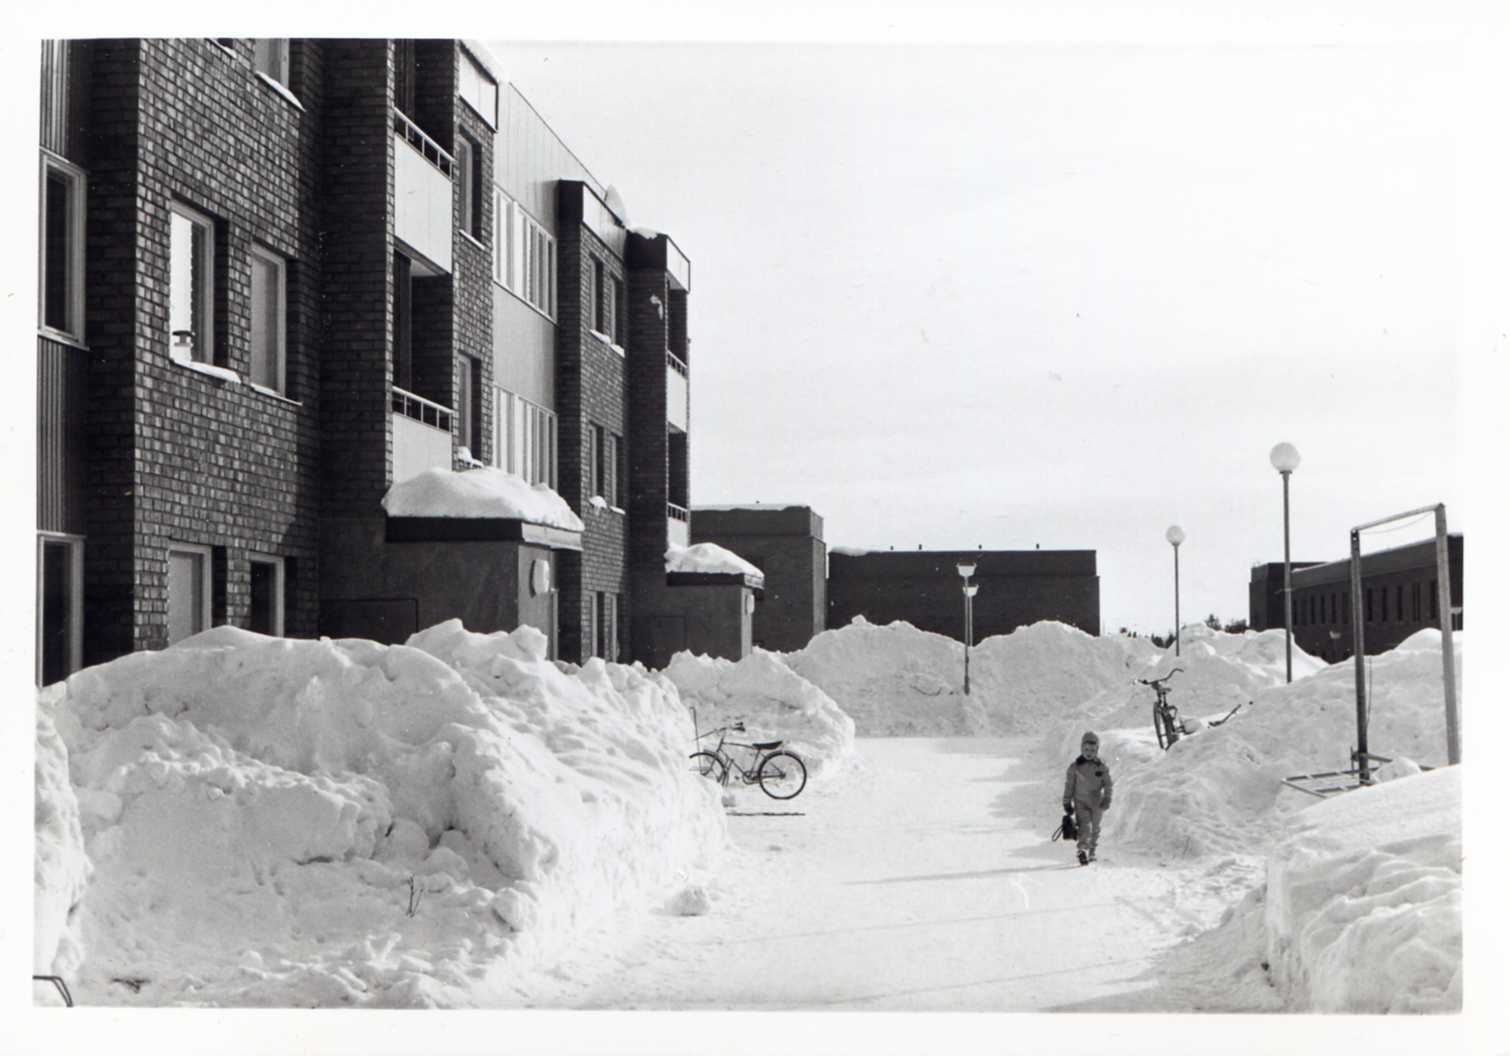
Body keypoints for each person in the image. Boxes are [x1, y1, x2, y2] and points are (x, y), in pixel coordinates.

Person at [1062, 731, 1113, 865]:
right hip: (1081, 802)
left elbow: (1108, 784)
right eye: (1086, 749)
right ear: (1081, 749)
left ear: (1097, 750)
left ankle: (1092, 852)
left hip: (1097, 802)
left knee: (1095, 828)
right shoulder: (1075, 768)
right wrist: (1067, 801)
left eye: (1092, 750)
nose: (1089, 752)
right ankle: (1082, 850)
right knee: (1085, 826)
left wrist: (1107, 798)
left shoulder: (1101, 767)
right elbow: (1069, 785)